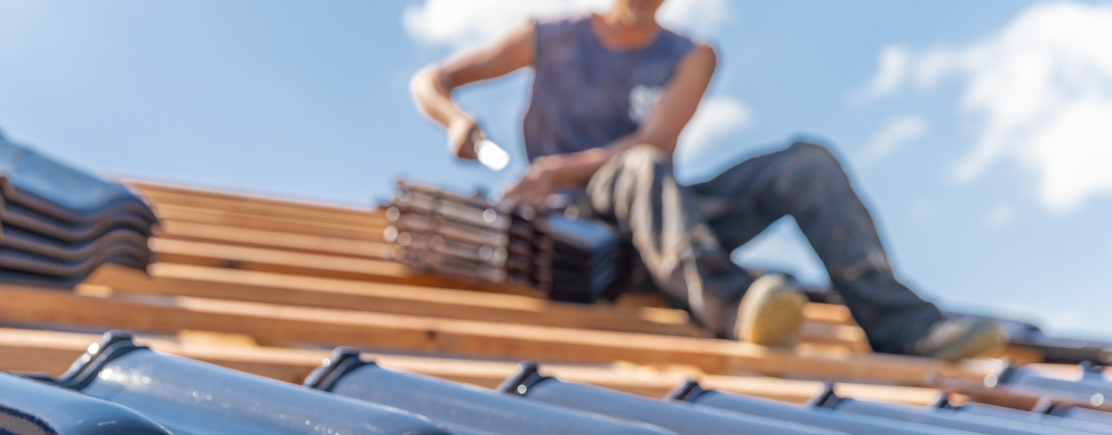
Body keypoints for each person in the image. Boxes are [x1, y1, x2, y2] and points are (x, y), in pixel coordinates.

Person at [409, 0, 1006, 360]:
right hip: (584, 238)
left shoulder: (691, 54)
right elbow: (431, 81)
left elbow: (654, 145)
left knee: (805, 162)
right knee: (639, 171)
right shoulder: (549, 38)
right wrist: (456, 120)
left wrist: (558, 167)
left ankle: (903, 323)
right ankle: (734, 306)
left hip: (666, 222)